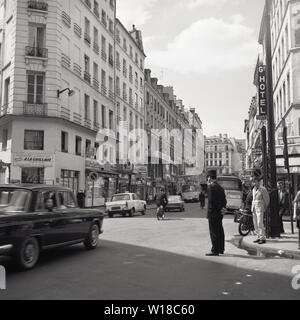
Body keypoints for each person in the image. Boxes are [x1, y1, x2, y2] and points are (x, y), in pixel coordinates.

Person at [206, 170, 227, 257]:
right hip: (219, 213)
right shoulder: (220, 188)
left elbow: (211, 202)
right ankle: (221, 249)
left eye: (208, 177)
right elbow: (224, 201)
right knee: (219, 231)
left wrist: (209, 214)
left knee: (213, 231)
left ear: (210, 178)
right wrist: (222, 209)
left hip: (213, 213)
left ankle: (215, 249)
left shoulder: (211, 187)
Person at [251, 176, 270, 245]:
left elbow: (267, 200)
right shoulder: (253, 189)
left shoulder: (263, 189)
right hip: (254, 208)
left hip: (260, 207)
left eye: (255, 181)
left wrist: (264, 207)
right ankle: (258, 236)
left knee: (259, 222)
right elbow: (253, 199)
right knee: (255, 223)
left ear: (258, 182)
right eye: (253, 182)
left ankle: (262, 238)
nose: (254, 183)